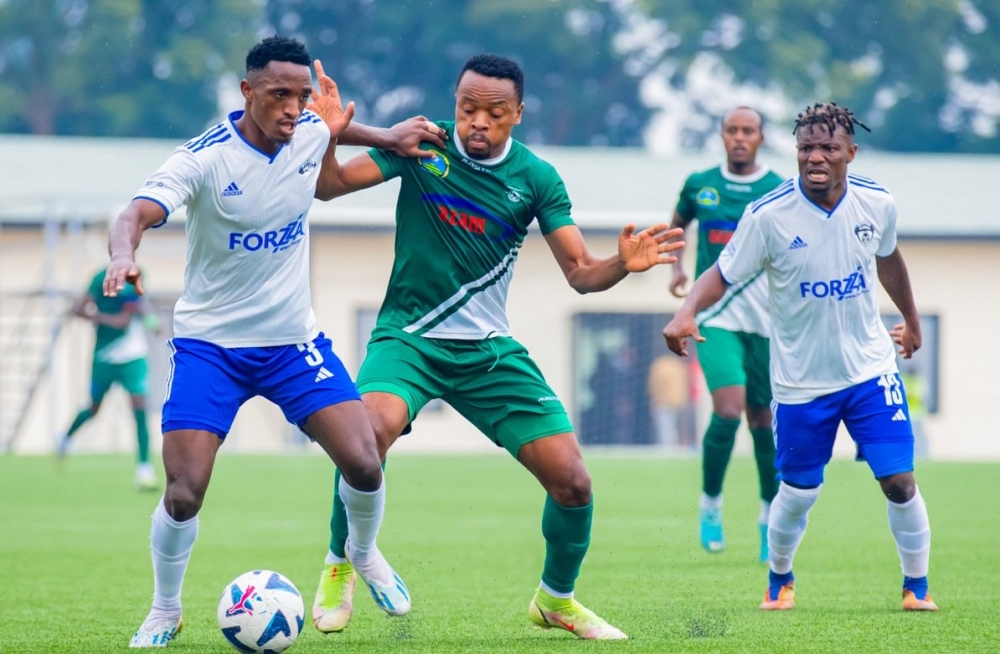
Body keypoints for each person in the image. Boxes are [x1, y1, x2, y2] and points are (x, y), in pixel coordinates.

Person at [310, 54, 684, 640]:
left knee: (573, 482)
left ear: (518, 115)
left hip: (487, 351)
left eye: (494, 112)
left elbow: (582, 272)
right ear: (454, 104)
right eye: (467, 108)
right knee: (367, 434)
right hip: (409, 337)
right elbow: (328, 187)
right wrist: (330, 136)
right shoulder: (420, 145)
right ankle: (341, 562)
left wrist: (623, 264)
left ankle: (556, 601)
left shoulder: (535, 179)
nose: (477, 122)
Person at [105, 36, 447, 648]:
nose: (293, 109)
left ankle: (362, 554)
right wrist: (123, 256)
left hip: (292, 341)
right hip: (211, 345)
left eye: (301, 97)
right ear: (247, 93)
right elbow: (133, 212)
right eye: (278, 96)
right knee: (184, 492)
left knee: (365, 459)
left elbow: (327, 156)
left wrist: (388, 137)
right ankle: (164, 609)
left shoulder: (310, 133)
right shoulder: (204, 158)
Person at [663, 102, 937, 612]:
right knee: (799, 491)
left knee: (899, 480)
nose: (815, 156)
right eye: (806, 147)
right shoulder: (767, 215)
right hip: (800, 383)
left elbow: (889, 259)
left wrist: (913, 319)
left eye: (828, 148)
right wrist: (687, 312)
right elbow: (721, 271)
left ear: (850, 153)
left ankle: (916, 587)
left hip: (870, 370)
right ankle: (780, 576)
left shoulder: (877, 204)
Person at [667, 106, 784, 560]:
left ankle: (768, 516)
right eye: (732, 130)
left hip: (768, 322)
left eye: (748, 131)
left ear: (760, 137)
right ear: (721, 135)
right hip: (714, 317)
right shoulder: (701, 184)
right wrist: (677, 267)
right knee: (729, 408)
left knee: (763, 420)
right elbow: (677, 224)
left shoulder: (779, 188)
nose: (739, 138)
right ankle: (711, 504)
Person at [57, 267, 162, 491]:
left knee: (139, 406)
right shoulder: (99, 278)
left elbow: (124, 320)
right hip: (104, 356)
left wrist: (95, 315)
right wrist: (88, 311)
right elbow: (77, 308)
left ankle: (144, 468)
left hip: (132, 355)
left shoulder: (136, 276)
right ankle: (65, 438)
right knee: (94, 408)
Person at [646, 354, 689, 447]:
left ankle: (667, 449)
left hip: (663, 402)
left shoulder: (659, 365)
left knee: (665, 428)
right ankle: (673, 447)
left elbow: (654, 384)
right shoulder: (679, 365)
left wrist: (654, 399)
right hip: (679, 401)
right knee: (674, 428)